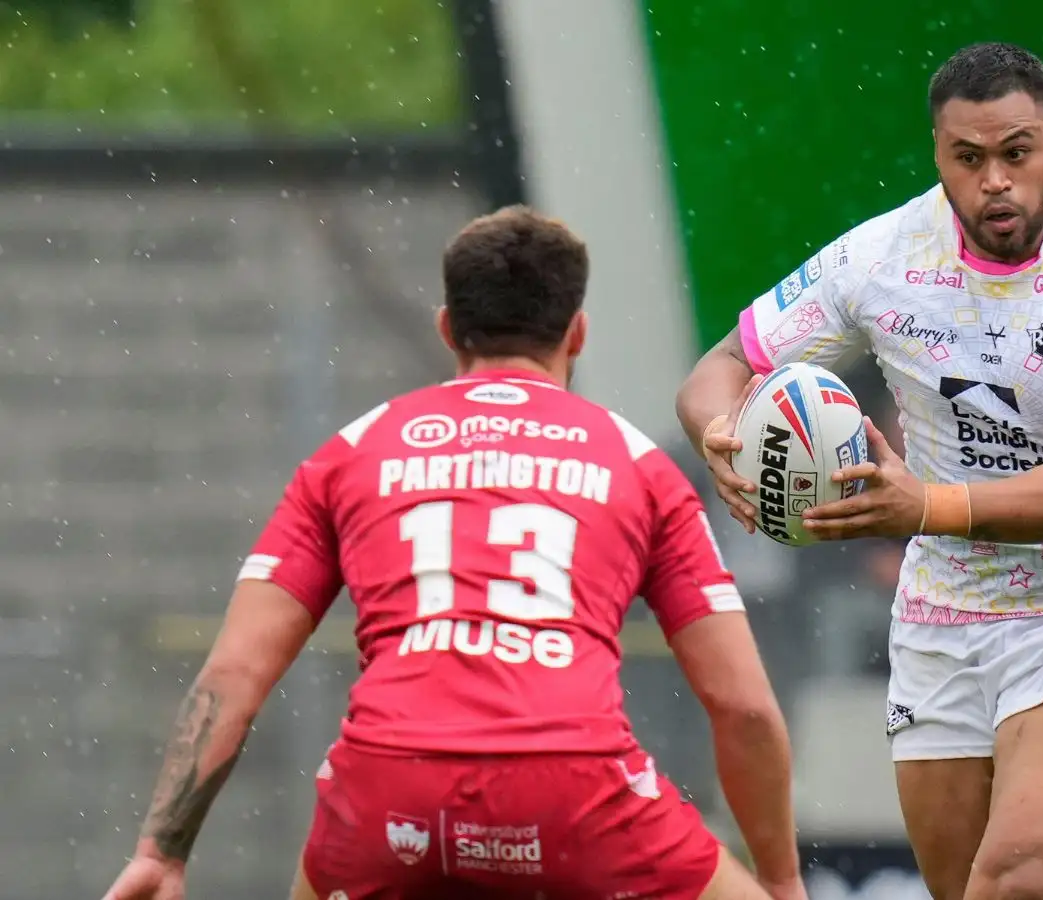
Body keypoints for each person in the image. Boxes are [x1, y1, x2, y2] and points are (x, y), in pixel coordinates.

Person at [101, 208, 801, 900]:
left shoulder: (350, 452)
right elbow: (742, 707)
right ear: (576, 334)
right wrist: (780, 879)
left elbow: (235, 673)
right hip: (573, 793)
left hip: (390, 790)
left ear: (447, 329)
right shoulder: (639, 464)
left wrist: (161, 853)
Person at [678, 42, 1043, 900]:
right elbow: (720, 367)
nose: (995, 179)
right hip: (946, 609)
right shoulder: (884, 257)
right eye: (969, 158)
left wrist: (928, 504)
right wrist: (722, 436)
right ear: (939, 157)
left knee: (1014, 878)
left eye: (1016, 153)